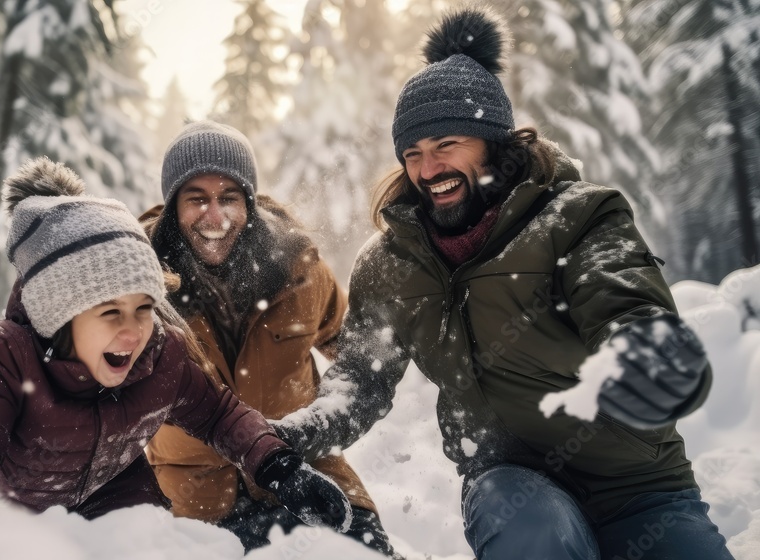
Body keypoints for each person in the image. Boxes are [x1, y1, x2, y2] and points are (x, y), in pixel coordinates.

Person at [272, 8, 734, 560]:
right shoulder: (391, 263)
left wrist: (644, 354)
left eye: (448, 144)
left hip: (637, 485)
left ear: (494, 141)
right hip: (511, 483)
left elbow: (622, 297)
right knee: (531, 535)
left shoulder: (578, 217)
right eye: (413, 153)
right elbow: (361, 379)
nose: (428, 168)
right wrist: (296, 433)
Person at [0, 157, 352, 534]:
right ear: (60, 313)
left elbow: (219, 414)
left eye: (144, 308)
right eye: (110, 313)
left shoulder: (159, 356)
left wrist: (279, 466)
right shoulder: (1, 357)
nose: (133, 332)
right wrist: (8, 532)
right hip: (14, 528)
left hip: (117, 514)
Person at [141, 121, 396, 556]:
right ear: (172, 209)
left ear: (249, 203)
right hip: (193, 497)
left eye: (228, 198)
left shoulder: (299, 271)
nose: (215, 216)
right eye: (196, 199)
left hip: (308, 470)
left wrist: (327, 420)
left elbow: (359, 347)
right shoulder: (143, 290)